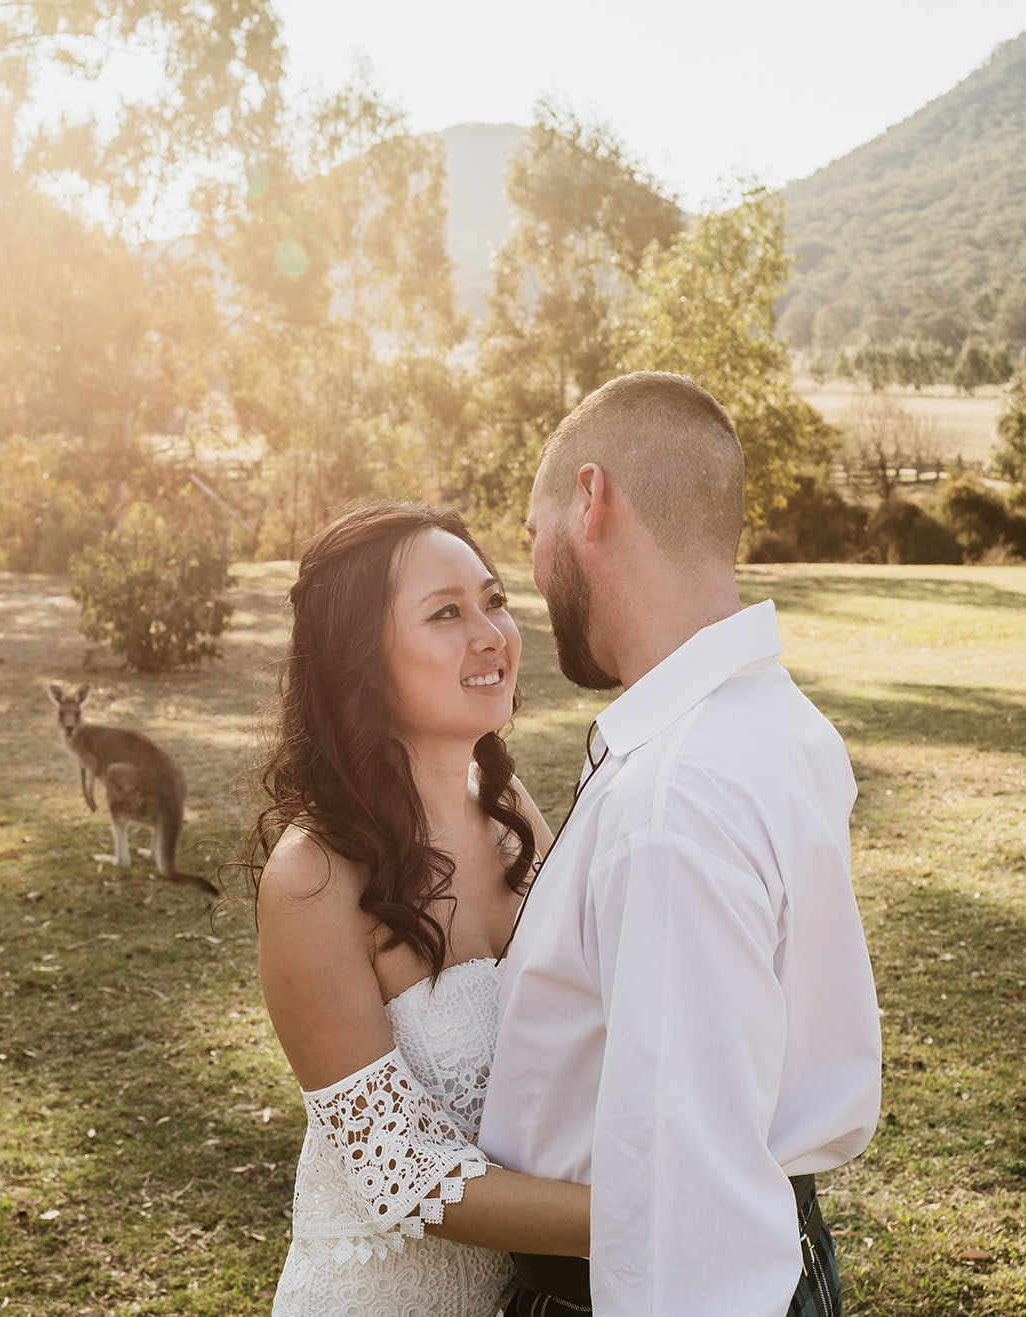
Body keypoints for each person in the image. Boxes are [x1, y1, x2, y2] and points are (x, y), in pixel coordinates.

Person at [478, 371, 884, 1317]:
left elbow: (679, 1190)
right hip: (779, 1245)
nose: (534, 579)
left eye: (533, 537)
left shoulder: (675, 795)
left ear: (590, 500)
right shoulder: (778, 723)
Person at [247, 502, 590, 1317]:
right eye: (446, 612)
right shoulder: (314, 880)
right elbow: (399, 1168)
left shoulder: (510, 809)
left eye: (495, 600)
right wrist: (648, 1214)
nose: (492, 635)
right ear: (360, 659)